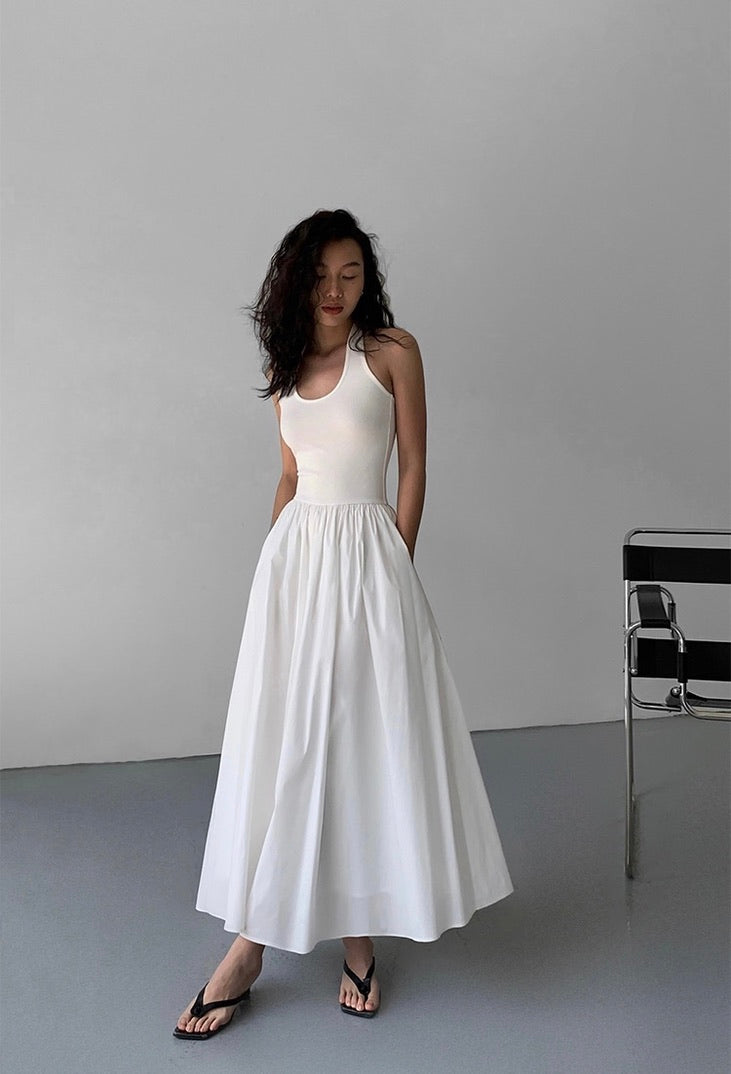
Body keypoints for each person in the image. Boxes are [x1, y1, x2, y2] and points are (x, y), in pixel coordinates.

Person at [174, 209, 514, 1039]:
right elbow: (291, 476)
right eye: (322, 275)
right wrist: (273, 572)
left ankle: (252, 950)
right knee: (299, 741)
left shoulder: (392, 352)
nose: (335, 289)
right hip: (294, 572)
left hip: (369, 566)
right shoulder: (284, 367)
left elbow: (414, 463)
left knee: (346, 739)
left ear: (368, 279)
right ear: (297, 281)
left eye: (350, 273)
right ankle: (349, 942)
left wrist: (396, 563)